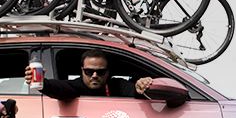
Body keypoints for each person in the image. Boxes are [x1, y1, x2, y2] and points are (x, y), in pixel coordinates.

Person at [24, 48, 153, 100]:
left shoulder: (116, 85)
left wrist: (141, 86)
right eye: (89, 71)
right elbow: (60, 88)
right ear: (82, 70)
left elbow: (134, 91)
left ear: (108, 72)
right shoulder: (76, 86)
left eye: (100, 71)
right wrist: (43, 84)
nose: (95, 75)